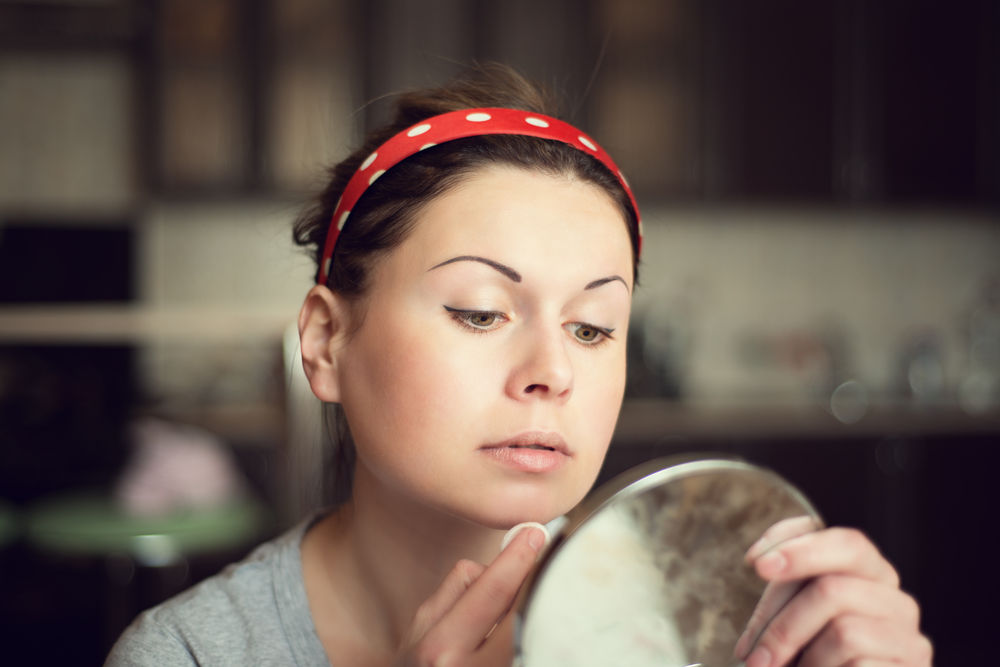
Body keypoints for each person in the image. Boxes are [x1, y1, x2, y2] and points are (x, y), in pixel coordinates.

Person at [107, 64, 932, 666]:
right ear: (325, 341)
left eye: (593, 327)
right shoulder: (190, 652)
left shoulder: (712, 626)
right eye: (479, 312)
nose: (552, 372)